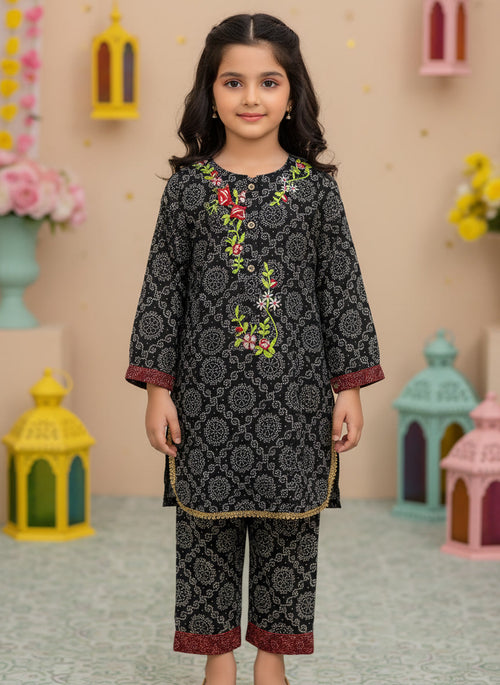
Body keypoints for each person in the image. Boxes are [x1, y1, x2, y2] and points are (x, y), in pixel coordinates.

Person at [125, 12, 384, 685]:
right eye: (232, 81)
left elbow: (341, 288)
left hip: (296, 404)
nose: (250, 97)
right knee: (204, 534)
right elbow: (162, 290)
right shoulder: (189, 189)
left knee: (290, 537)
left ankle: (273, 664)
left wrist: (349, 388)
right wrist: (157, 389)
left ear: (292, 93)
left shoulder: (315, 190)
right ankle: (219, 664)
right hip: (205, 403)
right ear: (209, 92)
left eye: (268, 82)